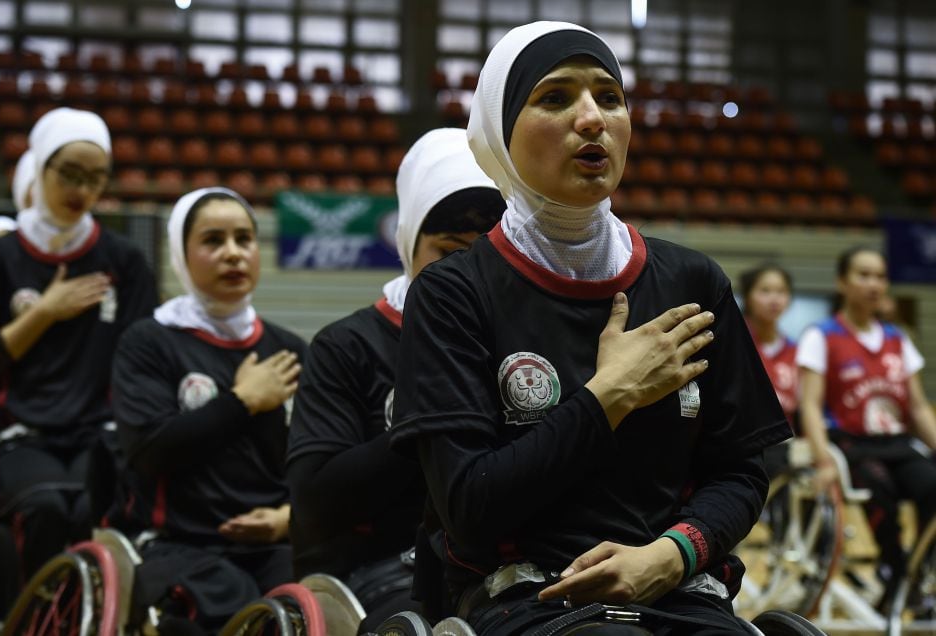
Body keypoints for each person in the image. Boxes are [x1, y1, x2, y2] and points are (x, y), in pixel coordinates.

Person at [389, 21, 792, 634]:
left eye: (609, 97)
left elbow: (740, 470)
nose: (592, 119)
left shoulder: (693, 281)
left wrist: (673, 553)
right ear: (500, 133)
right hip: (528, 598)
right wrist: (610, 396)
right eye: (555, 98)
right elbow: (470, 508)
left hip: (676, 588)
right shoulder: (452, 294)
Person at [287, 128, 506, 632]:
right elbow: (316, 502)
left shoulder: (522, 340)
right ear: (408, 242)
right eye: (449, 251)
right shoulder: (348, 346)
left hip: (500, 569)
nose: (466, 275)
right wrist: (430, 422)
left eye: (485, 255)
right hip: (380, 571)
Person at [0, 107, 157, 604]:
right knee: (47, 509)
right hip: (18, 431)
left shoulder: (123, 261)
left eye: (96, 177)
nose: (83, 189)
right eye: (70, 174)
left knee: (91, 510)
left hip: (98, 431)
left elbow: (143, 355)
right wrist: (42, 315)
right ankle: (31, 616)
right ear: (39, 169)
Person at [111, 187, 305, 634]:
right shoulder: (149, 341)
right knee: (231, 604)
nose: (233, 253)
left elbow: (311, 460)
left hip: (270, 543)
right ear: (181, 253)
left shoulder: (289, 350)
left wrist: (285, 518)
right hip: (177, 545)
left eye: (244, 239)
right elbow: (149, 453)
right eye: (213, 241)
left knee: (315, 599)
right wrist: (241, 403)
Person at [797, 246, 936, 611]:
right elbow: (809, 404)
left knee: (932, 486)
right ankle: (894, 569)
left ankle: (918, 573)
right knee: (879, 490)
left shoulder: (897, 339)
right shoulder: (822, 335)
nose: (874, 284)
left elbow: (919, 408)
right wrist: (822, 456)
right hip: (852, 443)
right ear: (843, 282)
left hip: (897, 441)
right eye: (864, 275)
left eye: (880, 276)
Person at [740, 264, 798, 479]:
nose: (774, 299)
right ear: (748, 296)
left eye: (781, 292)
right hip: (741, 439)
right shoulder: (733, 340)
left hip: (783, 442)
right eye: (765, 291)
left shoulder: (797, 351)